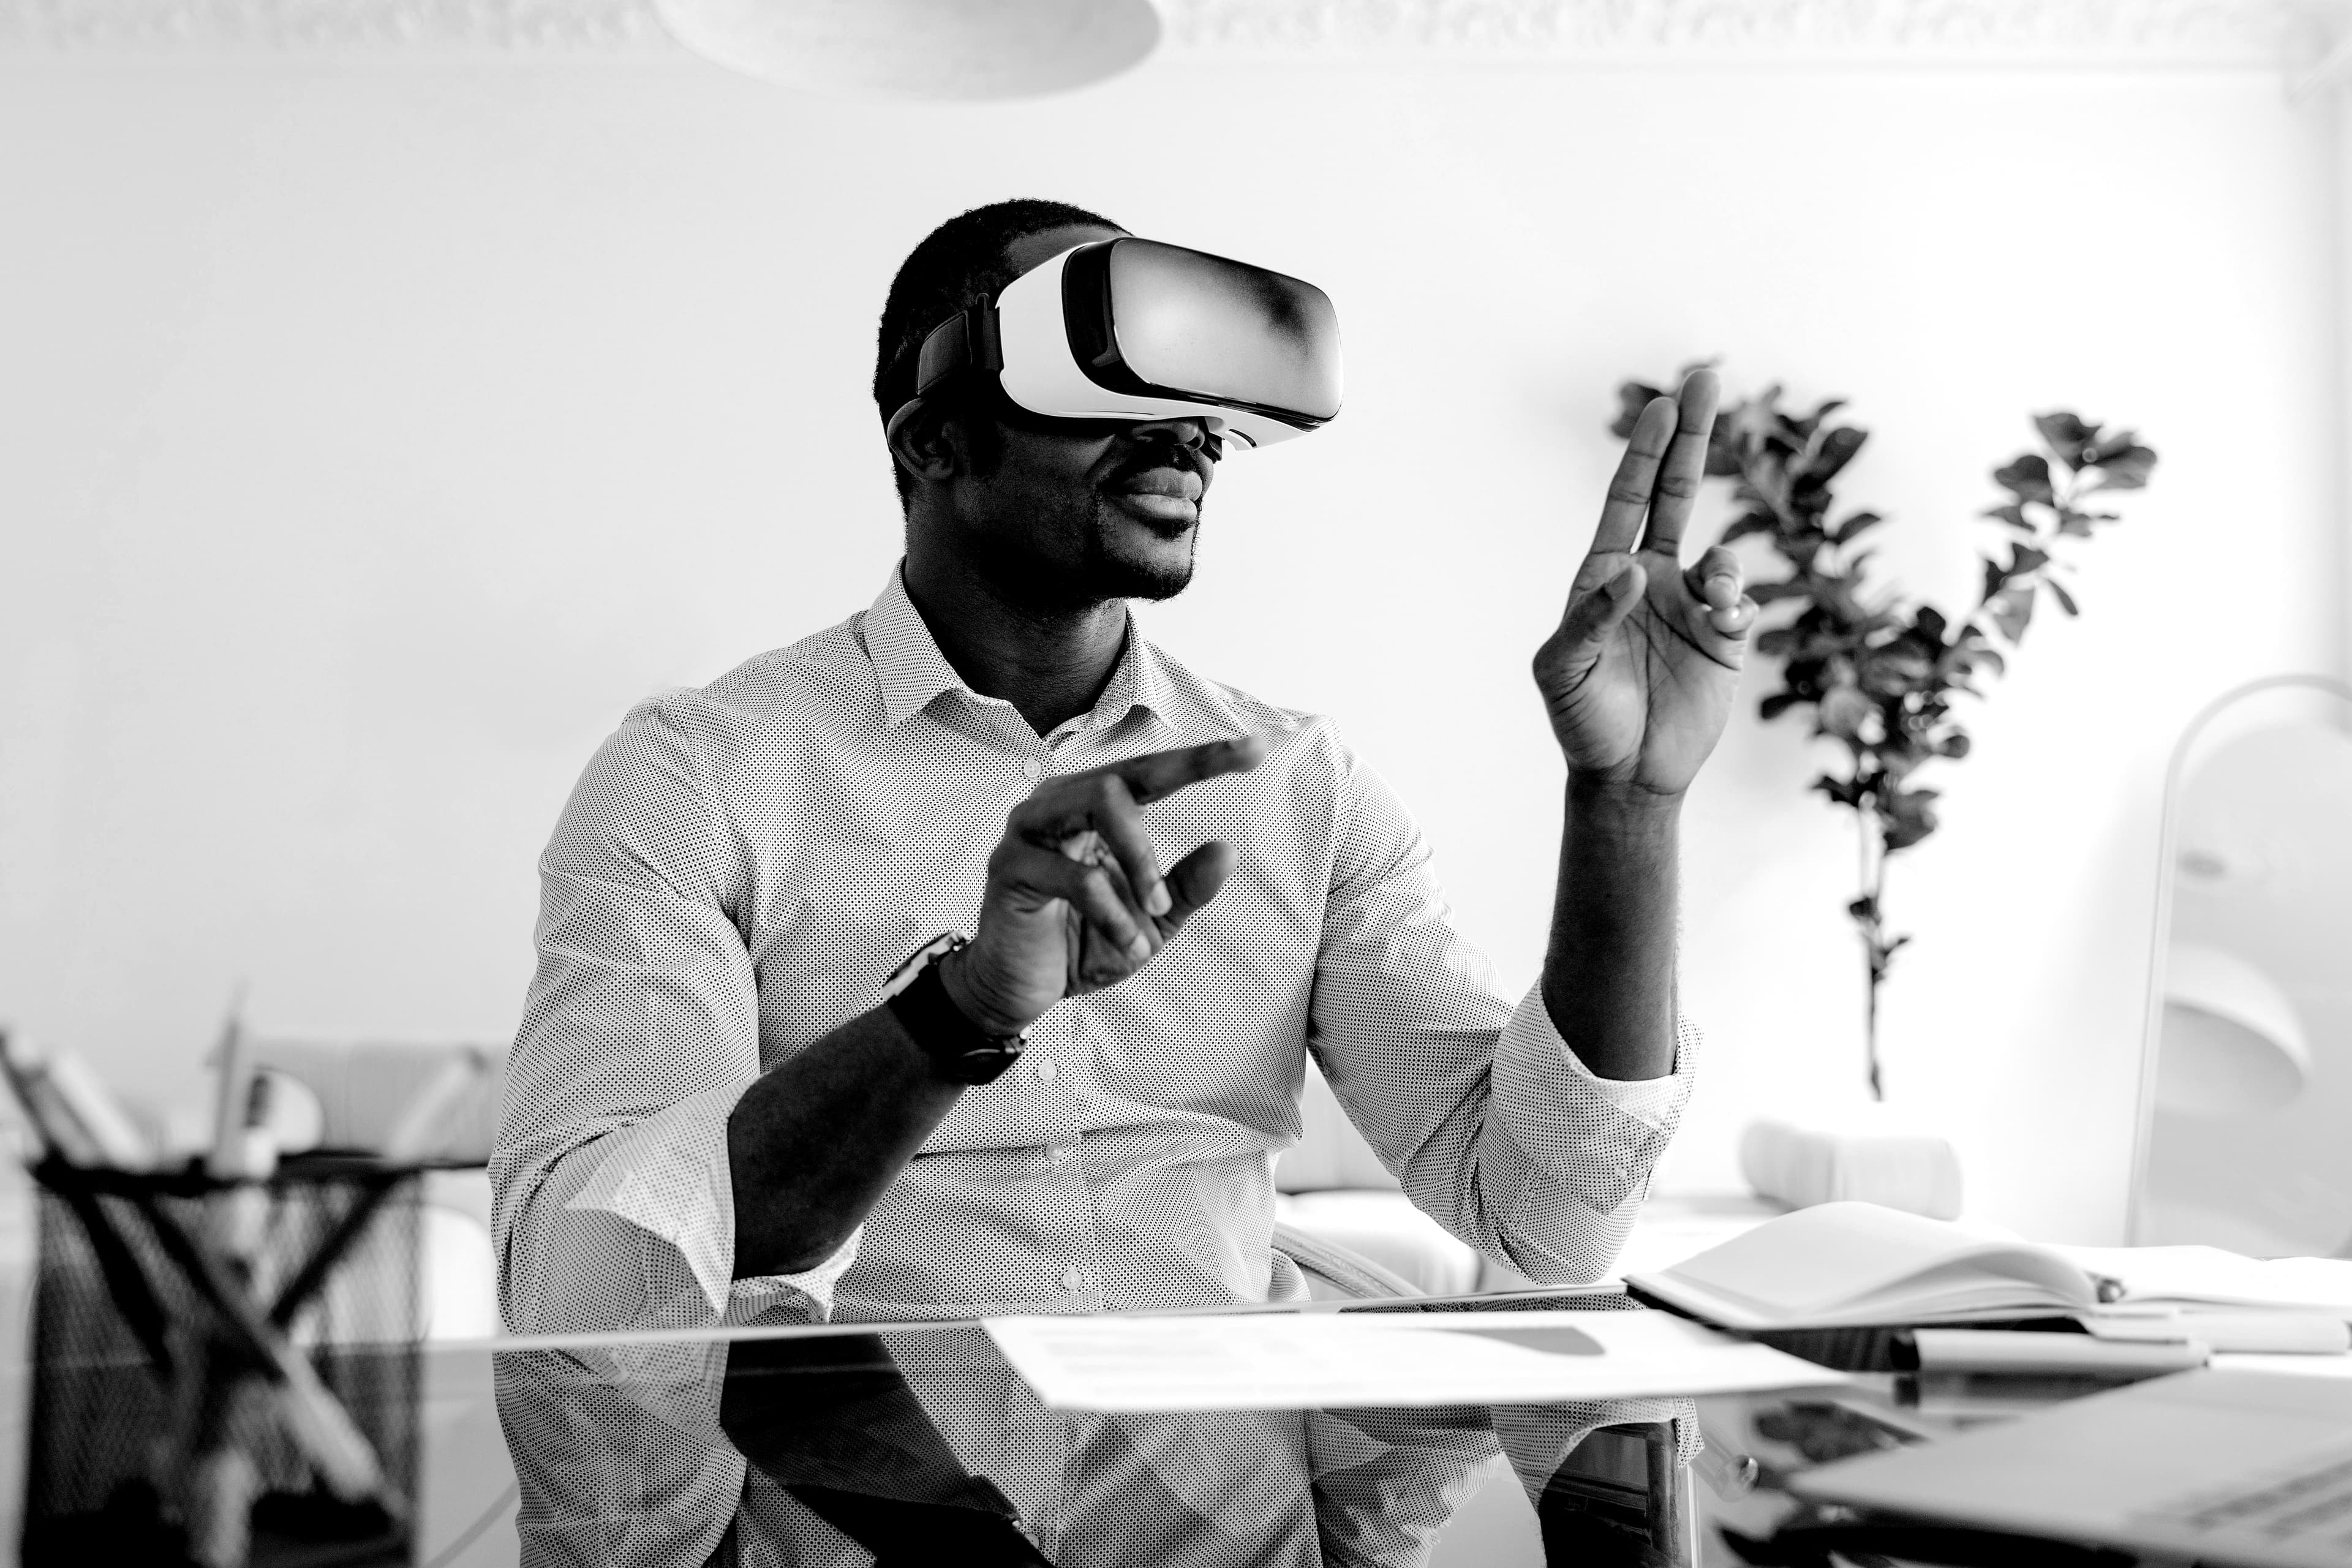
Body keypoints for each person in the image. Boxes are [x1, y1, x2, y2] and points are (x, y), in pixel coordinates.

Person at [490, 197, 1754, 1564]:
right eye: (1105, 378)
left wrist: (1627, 807)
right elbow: (595, 1281)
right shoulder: (696, 775)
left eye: (1201, 396)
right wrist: (958, 1009)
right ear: (935, 441)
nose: (1190, 430)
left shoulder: (1299, 785)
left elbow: (1543, 1213)